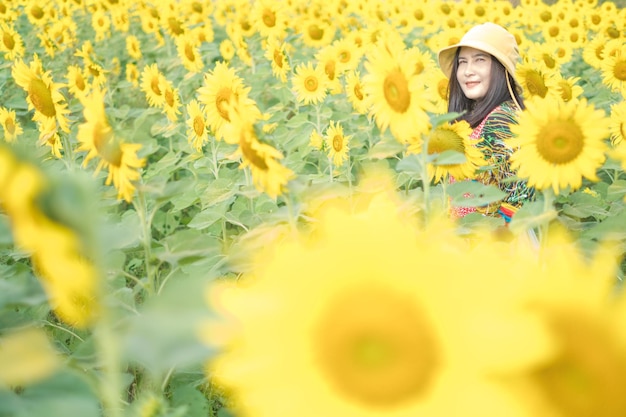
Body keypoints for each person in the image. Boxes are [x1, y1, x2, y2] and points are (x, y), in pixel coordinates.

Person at [437, 22, 534, 225]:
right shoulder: (480, 116)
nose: (467, 71)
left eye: (479, 60)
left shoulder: (502, 119)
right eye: (462, 62)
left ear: (500, 68)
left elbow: (517, 203)